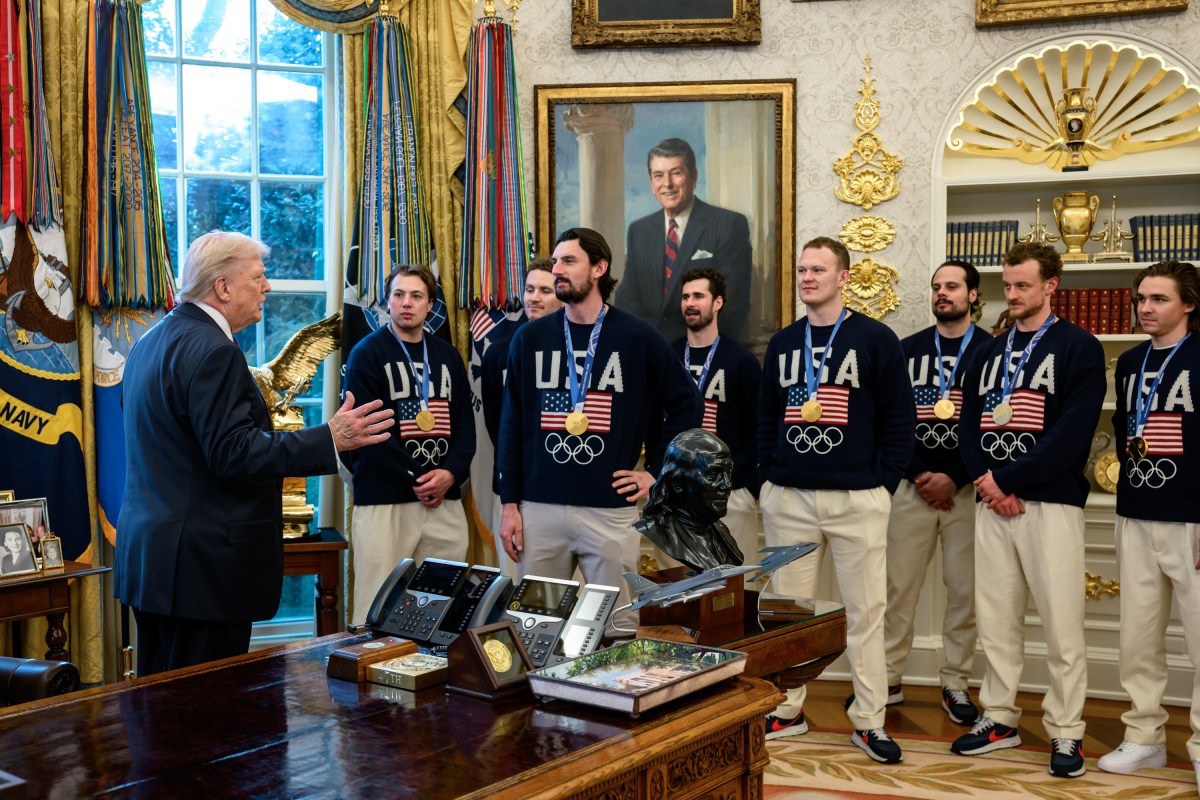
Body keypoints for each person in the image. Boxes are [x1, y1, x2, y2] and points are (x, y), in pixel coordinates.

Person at [116, 230, 394, 676]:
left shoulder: (149, 344)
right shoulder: (214, 351)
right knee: (208, 722)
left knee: (162, 717)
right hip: (202, 572)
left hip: (153, 563)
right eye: (259, 277)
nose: (268, 287)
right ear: (223, 287)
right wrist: (330, 438)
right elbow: (233, 453)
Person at [756, 236, 915, 763]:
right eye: (802, 269)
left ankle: (869, 721)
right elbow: (765, 418)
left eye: (819, 269)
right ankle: (787, 710)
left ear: (843, 278)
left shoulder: (876, 339)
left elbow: (899, 418)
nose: (807, 278)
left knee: (865, 612)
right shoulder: (783, 344)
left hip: (857, 498)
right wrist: (766, 480)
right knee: (788, 614)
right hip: (790, 497)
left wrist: (884, 483)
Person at [953, 241, 1105, 779]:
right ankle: (998, 716)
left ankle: (1067, 732)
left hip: (1050, 504)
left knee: (1062, 624)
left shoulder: (1079, 348)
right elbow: (967, 426)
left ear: (1050, 286)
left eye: (1022, 285)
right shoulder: (988, 351)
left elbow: (1072, 436)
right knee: (996, 619)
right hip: (993, 504)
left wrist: (1007, 479)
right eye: (1007, 285)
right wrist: (987, 483)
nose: (1012, 294)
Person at [496, 227, 700, 617]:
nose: (557, 269)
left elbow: (686, 404)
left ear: (598, 268)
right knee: (533, 626)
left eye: (569, 261)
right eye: (555, 261)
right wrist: (509, 505)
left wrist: (658, 472)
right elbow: (512, 424)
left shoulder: (638, 337)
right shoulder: (530, 338)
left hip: (609, 509)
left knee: (618, 627)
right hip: (539, 507)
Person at [870, 260, 991, 725]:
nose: (943, 294)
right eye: (937, 287)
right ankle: (887, 678)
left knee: (965, 591)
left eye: (953, 287)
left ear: (973, 295)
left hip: (969, 490)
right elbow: (890, 422)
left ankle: (955, 683)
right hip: (911, 488)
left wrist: (955, 477)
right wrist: (921, 473)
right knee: (897, 589)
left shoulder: (992, 351)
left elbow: (992, 423)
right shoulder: (905, 350)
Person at [1097, 261, 1200, 787]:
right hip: (1136, 513)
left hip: (1192, 519)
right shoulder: (1131, 361)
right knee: (1138, 638)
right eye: (1141, 298)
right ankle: (1144, 738)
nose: (1146, 308)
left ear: (1189, 304)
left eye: (1159, 299)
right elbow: (1124, 427)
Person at [343, 264, 475, 624]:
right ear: (387, 301)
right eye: (399, 295)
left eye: (416, 296)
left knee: (440, 604)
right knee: (377, 603)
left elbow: (466, 427)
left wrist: (448, 474)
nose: (406, 303)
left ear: (430, 304)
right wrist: (418, 478)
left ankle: (430, 672)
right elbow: (365, 434)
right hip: (386, 499)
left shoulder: (447, 356)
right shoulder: (366, 354)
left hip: (443, 501)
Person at [615, 138, 752, 344]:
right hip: (648, 353)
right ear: (651, 183)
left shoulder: (728, 225)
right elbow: (627, 303)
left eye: (676, 173)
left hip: (702, 353)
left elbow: (731, 306)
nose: (667, 184)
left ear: (693, 177)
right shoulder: (639, 230)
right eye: (659, 175)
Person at [669, 267, 762, 566]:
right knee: (679, 593)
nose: (690, 303)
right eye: (685, 297)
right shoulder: (667, 356)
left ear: (717, 302)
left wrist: (748, 486)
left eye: (698, 296)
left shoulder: (741, 362)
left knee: (734, 587)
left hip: (728, 495)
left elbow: (757, 427)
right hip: (676, 494)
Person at [634, 428, 741, 571]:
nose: (726, 484)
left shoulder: (721, 532)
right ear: (678, 482)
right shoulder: (660, 532)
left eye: (728, 472)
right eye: (713, 474)